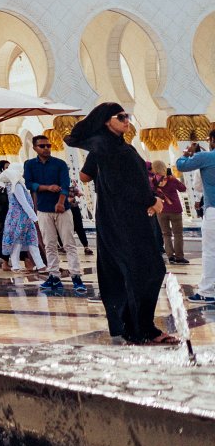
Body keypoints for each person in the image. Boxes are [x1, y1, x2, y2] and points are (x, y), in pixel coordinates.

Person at [68, 101, 169, 344]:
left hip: (122, 217)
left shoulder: (109, 147)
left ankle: (134, 327)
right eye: (120, 117)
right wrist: (151, 200)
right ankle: (141, 329)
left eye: (127, 116)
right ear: (106, 121)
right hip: (125, 220)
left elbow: (91, 176)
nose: (127, 121)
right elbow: (121, 185)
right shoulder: (108, 148)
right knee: (145, 270)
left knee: (134, 271)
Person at [22, 138, 86, 294]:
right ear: (35, 148)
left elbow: (65, 184)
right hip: (44, 209)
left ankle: (76, 276)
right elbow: (29, 183)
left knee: (69, 243)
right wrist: (47, 187)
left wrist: (61, 202)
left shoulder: (59, 164)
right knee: (49, 244)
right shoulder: (30, 165)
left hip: (62, 209)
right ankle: (54, 276)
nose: (46, 148)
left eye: (48, 145)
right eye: (42, 146)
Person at [177, 144, 215, 304]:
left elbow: (181, 165)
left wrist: (186, 153)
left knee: (210, 252)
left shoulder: (207, 157)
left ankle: (207, 291)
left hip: (213, 210)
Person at [0, 166, 41, 276]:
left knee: (30, 240)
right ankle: (16, 265)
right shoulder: (16, 185)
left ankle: (40, 265)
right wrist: (35, 218)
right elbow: (23, 203)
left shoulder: (15, 184)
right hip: (19, 218)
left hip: (23, 217)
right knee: (18, 241)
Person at [154, 164, 187, 263]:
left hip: (161, 210)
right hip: (175, 210)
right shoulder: (171, 179)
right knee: (178, 234)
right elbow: (183, 188)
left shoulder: (153, 180)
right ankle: (179, 257)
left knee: (166, 234)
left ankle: (170, 256)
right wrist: (174, 178)